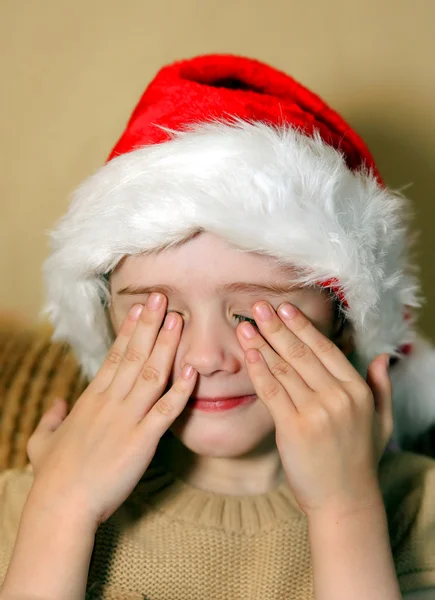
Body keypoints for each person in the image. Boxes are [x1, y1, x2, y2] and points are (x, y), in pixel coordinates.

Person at [0, 54, 434, 600]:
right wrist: (61, 510)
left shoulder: (419, 510)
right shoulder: (26, 508)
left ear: (345, 321)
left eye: (254, 313)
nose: (207, 356)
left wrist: (346, 507)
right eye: (161, 312)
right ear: (105, 322)